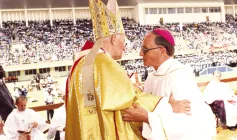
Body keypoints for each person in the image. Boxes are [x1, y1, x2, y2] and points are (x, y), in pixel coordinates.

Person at [66, 0, 190, 139]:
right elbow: (128, 100)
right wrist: (167, 107)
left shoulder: (85, 60)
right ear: (114, 39)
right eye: (123, 41)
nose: (125, 46)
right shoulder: (103, 63)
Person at [122, 28, 216, 140]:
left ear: (161, 50)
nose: (140, 53)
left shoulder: (179, 76)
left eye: (145, 49)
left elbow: (187, 123)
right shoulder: (151, 77)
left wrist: (148, 117)